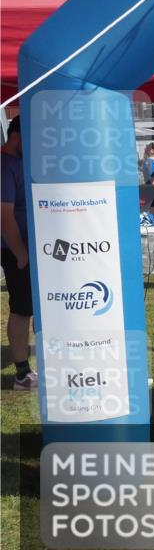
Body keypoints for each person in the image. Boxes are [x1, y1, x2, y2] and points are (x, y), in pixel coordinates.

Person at [1, 118, 37, 390]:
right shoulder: (3, 166)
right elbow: (5, 217)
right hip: (17, 250)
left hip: (35, 248)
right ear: (16, 136)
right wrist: (21, 254)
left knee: (33, 308)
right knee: (22, 309)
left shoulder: (19, 162)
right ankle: (22, 374)